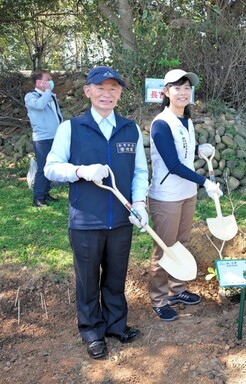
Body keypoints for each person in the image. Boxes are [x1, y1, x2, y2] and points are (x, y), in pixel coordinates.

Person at [44, 66, 148, 359]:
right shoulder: (72, 128)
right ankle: (92, 331)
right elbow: (51, 167)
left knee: (116, 276)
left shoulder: (130, 128)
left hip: (122, 218)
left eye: (113, 88)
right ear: (88, 91)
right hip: (86, 220)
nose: (107, 93)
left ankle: (116, 325)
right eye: (100, 88)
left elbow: (140, 170)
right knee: (88, 279)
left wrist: (139, 203)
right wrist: (80, 171)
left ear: (120, 93)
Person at [147, 69, 222, 322]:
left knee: (181, 244)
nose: (183, 92)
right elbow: (173, 164)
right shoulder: (161, 123)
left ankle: (176, 291)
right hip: (166, 195)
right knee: (164, 249)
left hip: (186, 194)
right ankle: (159, 300)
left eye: (187, 87)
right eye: (177, 87)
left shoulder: (186, 121)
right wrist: (205, 183)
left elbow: (186, 158)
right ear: (166, 92)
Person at [25, 70, 63, 207]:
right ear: (39, 82)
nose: (51, 81)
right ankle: (38, 198)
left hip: (55, 136)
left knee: (51, 165)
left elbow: (57, 114)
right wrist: (47, 92)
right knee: (43, 168)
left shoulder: (50, 96)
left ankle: (46, 193)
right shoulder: (31, 97)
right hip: (42, 138)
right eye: (48, 79)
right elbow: (40, 106)